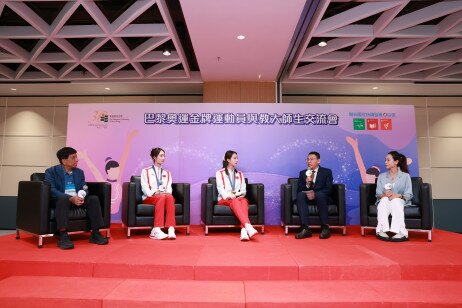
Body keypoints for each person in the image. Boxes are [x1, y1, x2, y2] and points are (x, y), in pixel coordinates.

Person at [44, 147, 109, 250]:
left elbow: (84, 187)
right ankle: (63, 236)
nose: (77, 160)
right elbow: (51, 189)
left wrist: (81, 196)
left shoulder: (79, 172)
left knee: (93, 199)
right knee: (63, 199)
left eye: (76, 157)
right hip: (61, 199)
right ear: (64, 161)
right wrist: (70, 198)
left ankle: (95, 234)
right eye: (73, 157)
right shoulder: (51, 171)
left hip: (77, 198)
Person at [79, 130, 138, 214]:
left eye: (117, 171)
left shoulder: (118, 180)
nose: (116, 173)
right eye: (113, 171)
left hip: (118, 214)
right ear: (107, 172)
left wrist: (129, 141)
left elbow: (124, 158)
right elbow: (93, 169)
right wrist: (85, 157)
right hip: (105, 213)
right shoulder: (104, 182)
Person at [216, 150, 258, 241]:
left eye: (237, 158)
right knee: (237, 200)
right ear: (228, 160)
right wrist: (229, 196)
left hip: (237, 198)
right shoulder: (220, 173)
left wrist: (235, 194)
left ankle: (243, 231)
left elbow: (243, 190)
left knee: (244, 200)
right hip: (224, 199)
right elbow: (220, 189)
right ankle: (247, 226)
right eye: (234, 158)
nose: (237, 160)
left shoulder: (240, 174)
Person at [375, 151, 413, 242]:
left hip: (399, 200)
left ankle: (401, 232)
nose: (385, 162)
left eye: (388, 160)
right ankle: (381, 230)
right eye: (385, 160)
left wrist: (398, 195)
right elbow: (378, 194)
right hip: (385, 200)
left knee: (395, 201)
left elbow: (409, 194)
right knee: (384, 200)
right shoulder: (382, 176)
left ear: (396, 162)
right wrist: (385, 194)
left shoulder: (405, 176)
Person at [295, 151, 333, 239]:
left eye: (312, 159)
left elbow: (328, 188)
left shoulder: (326, 172)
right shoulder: (303, 173)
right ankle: (305, 228)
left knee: (319, 195)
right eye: (307, 159)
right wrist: (307, 185)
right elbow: (299, 190)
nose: (309, 161)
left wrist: (315, 193)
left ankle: (325, 227)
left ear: (318, 161)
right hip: (307, 196)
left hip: (322, 197)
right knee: (300, 195)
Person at [141, 148, 176, 240]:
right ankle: (156, 229)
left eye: (164, 155)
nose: (163, 158)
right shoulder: (146, 171)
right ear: (154, 157)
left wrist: (165, 193)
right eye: (161, 155)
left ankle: (171, 228)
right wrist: (153, 193)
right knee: (161, 197)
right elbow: (144, 187)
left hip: (163, 196)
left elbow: (169, 187)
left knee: (169, 197)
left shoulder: (167, 173)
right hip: (150, 197)